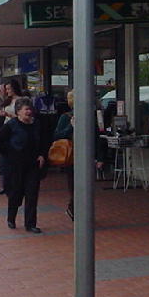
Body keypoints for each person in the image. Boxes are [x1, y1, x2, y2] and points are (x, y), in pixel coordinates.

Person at [0, 97, 47, 233]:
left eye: (30, 109)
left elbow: (43, 141)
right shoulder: (12, 125)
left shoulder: (37, 124)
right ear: (18, 112)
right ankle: (11, 218)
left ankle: (30, 224)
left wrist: (42, 154)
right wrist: (10, 153)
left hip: (33, 165)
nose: (29, 112)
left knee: (32, 194)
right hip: (15, 166)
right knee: (16, 194)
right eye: (26, 109)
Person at [54, 89, 105, 221]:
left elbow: (97, 137)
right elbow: (58, 136)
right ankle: (75, 211)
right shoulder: (66, 117)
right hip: (72, 156)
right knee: (74, 186)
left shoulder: (91, 116)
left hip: (88, 156)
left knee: (88, 186)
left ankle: (78, 210)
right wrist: (71, 126)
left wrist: (100, 157)